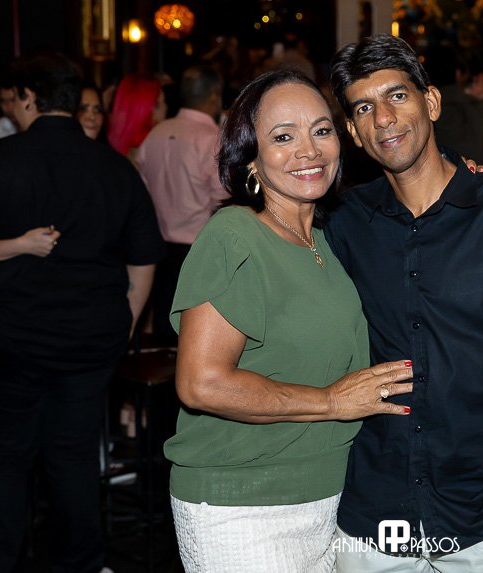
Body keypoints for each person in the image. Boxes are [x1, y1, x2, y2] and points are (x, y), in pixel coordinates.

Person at [327, 34, 483, 571]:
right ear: (352, 131)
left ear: (432, 102)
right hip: (375, 511)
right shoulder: (345, 222)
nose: (384, 119)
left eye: (397, 96)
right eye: (364, 108)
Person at [164, 69, 415, 573]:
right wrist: (331, 402)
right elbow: (201, 384)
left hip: (331, 497)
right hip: (243, 505)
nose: (309, 150)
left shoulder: (326, 237)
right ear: (250, 157)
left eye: (321, 130)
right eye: (283, 137)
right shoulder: (234, 235)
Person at [0, 52, 165, 572]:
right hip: (89, 339)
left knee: (4, 456)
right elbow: (145, 257)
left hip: (7, 337)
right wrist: (125, 320)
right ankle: (80, 565)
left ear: (28, 98)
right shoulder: (115, 167)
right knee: (73, 457)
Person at [136, 65, 226, 346]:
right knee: (197, 338)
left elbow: (143, 192)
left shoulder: (155, 134)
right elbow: (223, 200)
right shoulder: (211, 139)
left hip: (160, 249)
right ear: (214, 96)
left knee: (166, 333)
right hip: (200, 250)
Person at [107, 73, 167, 164]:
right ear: (148, 109)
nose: (165, 107)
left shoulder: (112, 143)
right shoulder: (153, 148)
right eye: (161, 102)